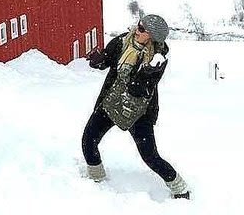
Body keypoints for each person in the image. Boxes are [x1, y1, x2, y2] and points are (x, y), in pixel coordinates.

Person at [81, 14, 190, 199]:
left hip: (139, 111)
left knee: (150, 157)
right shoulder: (123, 41)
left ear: (152, 37)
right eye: (138, 25)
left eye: (141, 29)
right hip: (111, 102)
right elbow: (107, 60)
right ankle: (97, 181)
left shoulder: (158, 59)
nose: (136, 30)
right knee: (88, 140)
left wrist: (145, 73)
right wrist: (98, 60)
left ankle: (180, 188)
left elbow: (137, 90)